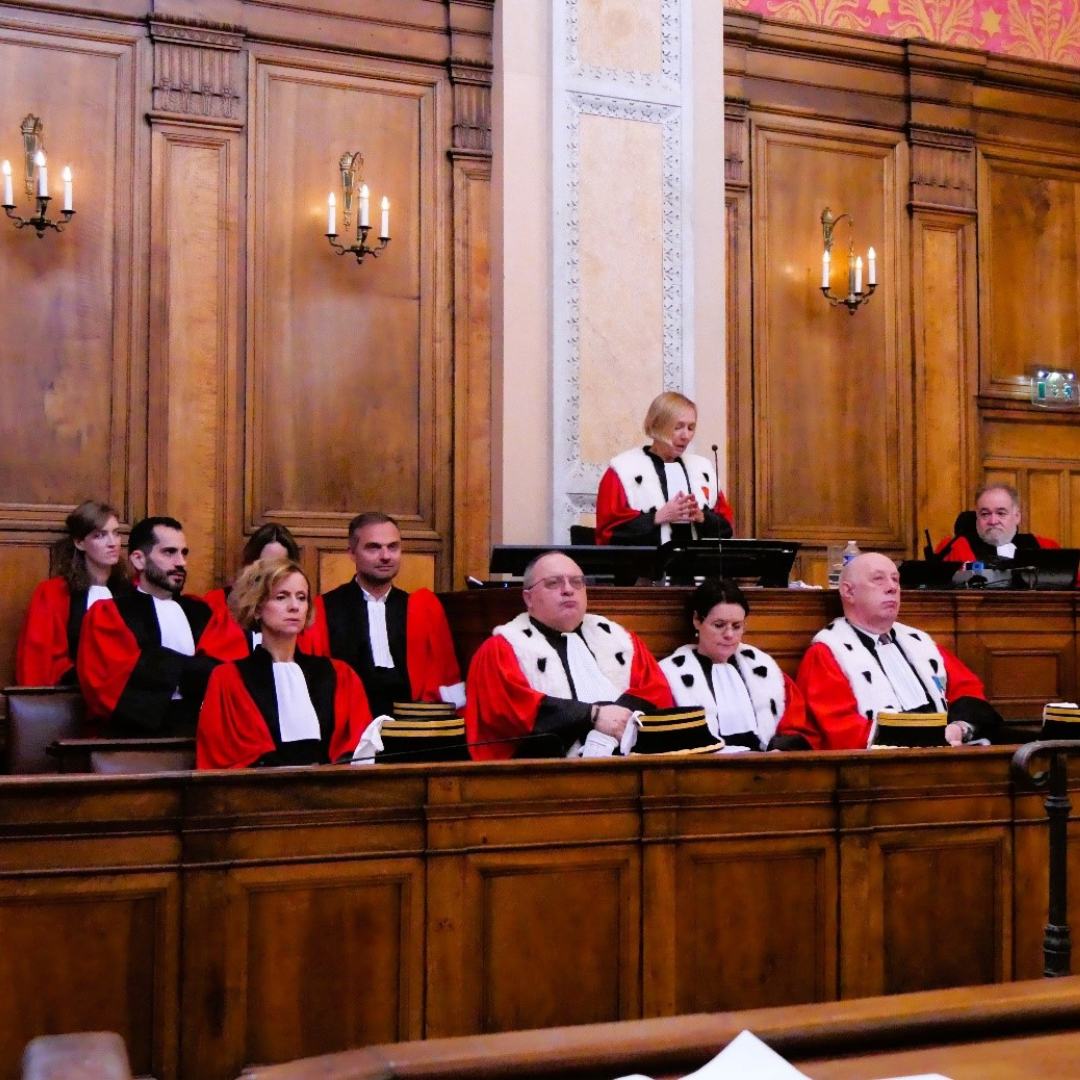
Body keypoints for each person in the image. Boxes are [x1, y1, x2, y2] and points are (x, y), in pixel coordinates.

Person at [778, 552, 999, 751]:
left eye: (895, 579)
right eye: (878, 579)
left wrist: (959, 728)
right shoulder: (828, 653)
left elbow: (969, 692)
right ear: (848, 591)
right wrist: (930, 738)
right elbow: (842, 732)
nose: (892, 587)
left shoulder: (921, 644)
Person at [465, 551, 674, 760]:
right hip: (544, 778)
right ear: (528, 598)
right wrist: (591, 716)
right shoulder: (503, 648)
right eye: (553, 583)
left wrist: (616, 722)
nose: (568, 590)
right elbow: (509, 712)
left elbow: (655, 691)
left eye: (576, 582)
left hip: (628, 766)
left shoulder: (622, 641)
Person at [77, 516, 247, 736]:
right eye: (169, 552)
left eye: (184, 553)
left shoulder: (203, 612)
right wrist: (194, 670)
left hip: (204, 730)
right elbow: (109, 684)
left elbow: (229, 671)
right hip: (134, 739)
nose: (181, 562)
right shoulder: (109, 613)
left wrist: (159, 665)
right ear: (139, 560)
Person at [197, 559, 373, 769]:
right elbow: (221, 754)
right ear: (257, 607)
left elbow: (355, 744)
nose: (294, 606)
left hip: (330, 792)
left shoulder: (339, 674)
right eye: (281, 597)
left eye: (302, 597)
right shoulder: (228, 678)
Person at [308, 512, 464, 719]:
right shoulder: (323, 609)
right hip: (348, 723)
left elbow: (445, 676)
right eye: (373, 547)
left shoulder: (420, 609)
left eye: (393, 547)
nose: (385, 556)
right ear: (352, 553)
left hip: (411, 725)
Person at [659, 579, 806, 751]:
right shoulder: (670, 674)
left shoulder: (765, 669)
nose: (729, 634)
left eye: (737, 626)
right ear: (697, 620)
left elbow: (796, 725)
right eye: (719, 625)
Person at [595, 391, 734, 546]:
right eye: (678, 427)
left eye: (691, 427)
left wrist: (702, 517)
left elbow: (727, 528)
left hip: (697, 567)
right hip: (645, 567)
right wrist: (657, 517)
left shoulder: (702, 469)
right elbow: (606, 534)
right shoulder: (623, 470)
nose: (686, 436)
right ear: (657, 426)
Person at [15, 500, 130, 686]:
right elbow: (38, 661)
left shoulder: (131, 590)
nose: (113, 543)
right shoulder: (53, 593)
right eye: (100, 535)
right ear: (79, 542)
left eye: (116, 533)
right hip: (73, 694)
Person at [203, 523, 327, 655]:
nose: (271, 573)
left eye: (279, 565)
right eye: (265, 565)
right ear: (249, 565)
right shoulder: (216, 604)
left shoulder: (300, 614)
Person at [936, 483, 1060, 563]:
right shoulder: (954, 549)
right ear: (977, 516)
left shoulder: (1045, 547)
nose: (993, 521)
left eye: (1001, 513)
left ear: (1017, 516)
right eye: (985, 514)